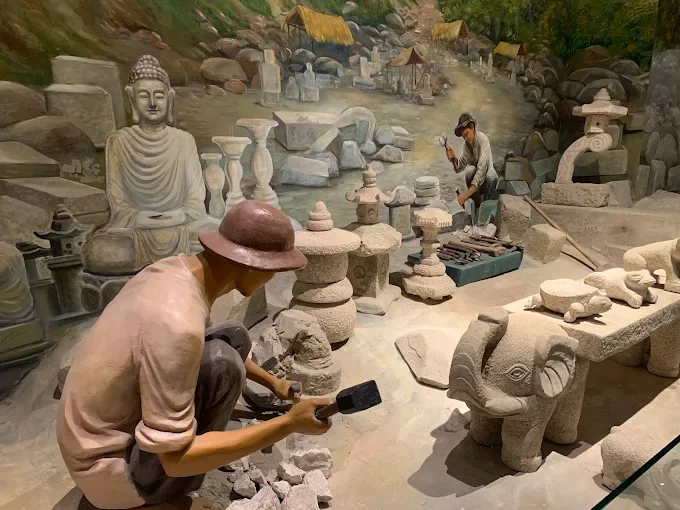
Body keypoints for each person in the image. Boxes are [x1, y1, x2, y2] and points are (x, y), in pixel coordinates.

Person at [57, 201, 332, 510]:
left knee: (233, 336)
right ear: (252, 266)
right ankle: (161, 501)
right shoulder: (177, 324)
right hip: (108, 469)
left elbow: (211, 340)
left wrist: (274, 384)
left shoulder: (176, 271)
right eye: (272, 272)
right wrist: (288, 424)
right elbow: (175, 459)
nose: (270, 280)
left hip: (87, 439)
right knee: (224, 365)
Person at [446, 113, 498, 210]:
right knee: (470, 171)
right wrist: (453, 159)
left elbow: (481, 171)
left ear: (472, 127)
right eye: (463, 137)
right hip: (477, 184)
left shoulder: (483, 140)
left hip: (486, 180)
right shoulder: (466, 146)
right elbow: (459, 168)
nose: (466, 139)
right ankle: (477, 205)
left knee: (491, 176)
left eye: (466, 134)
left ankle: (486, 208)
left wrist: (465, 195)